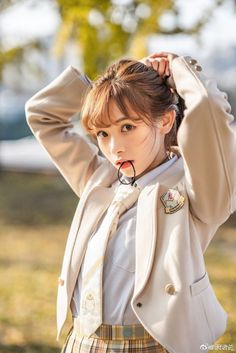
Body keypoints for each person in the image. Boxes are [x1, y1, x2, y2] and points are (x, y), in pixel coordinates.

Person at [25, 52, 236, 353]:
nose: (115, 148)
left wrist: (177, 68)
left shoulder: (196, 190)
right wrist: (111, 92)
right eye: (102, 133)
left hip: (155, 346)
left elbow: (209, 111)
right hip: (82, 343)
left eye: (127, 127)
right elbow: (42, 115)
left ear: (165, 120)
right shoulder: (99, 180)